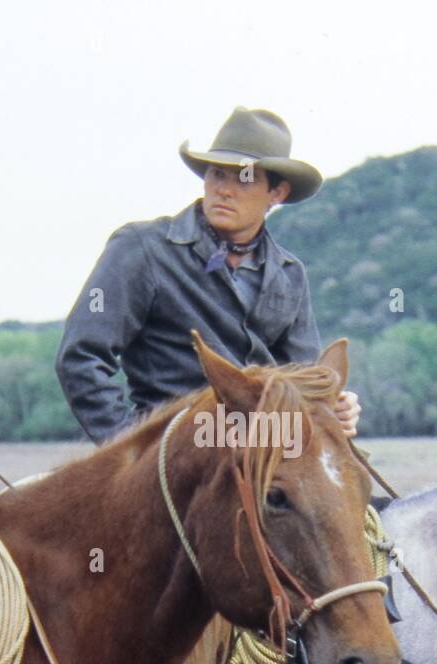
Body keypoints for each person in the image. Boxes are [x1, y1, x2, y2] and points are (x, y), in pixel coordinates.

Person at [56, 107, 360, 443]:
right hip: (174, 451)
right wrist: (131, 446)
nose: (225, 190)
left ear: (278, 193)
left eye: (244, 177)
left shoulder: (290, 274)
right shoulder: (143, 250)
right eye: (217, 174)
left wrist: (335, 405)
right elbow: (81, 357)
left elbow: (302, 381)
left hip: (260, 453)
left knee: (361, 493)